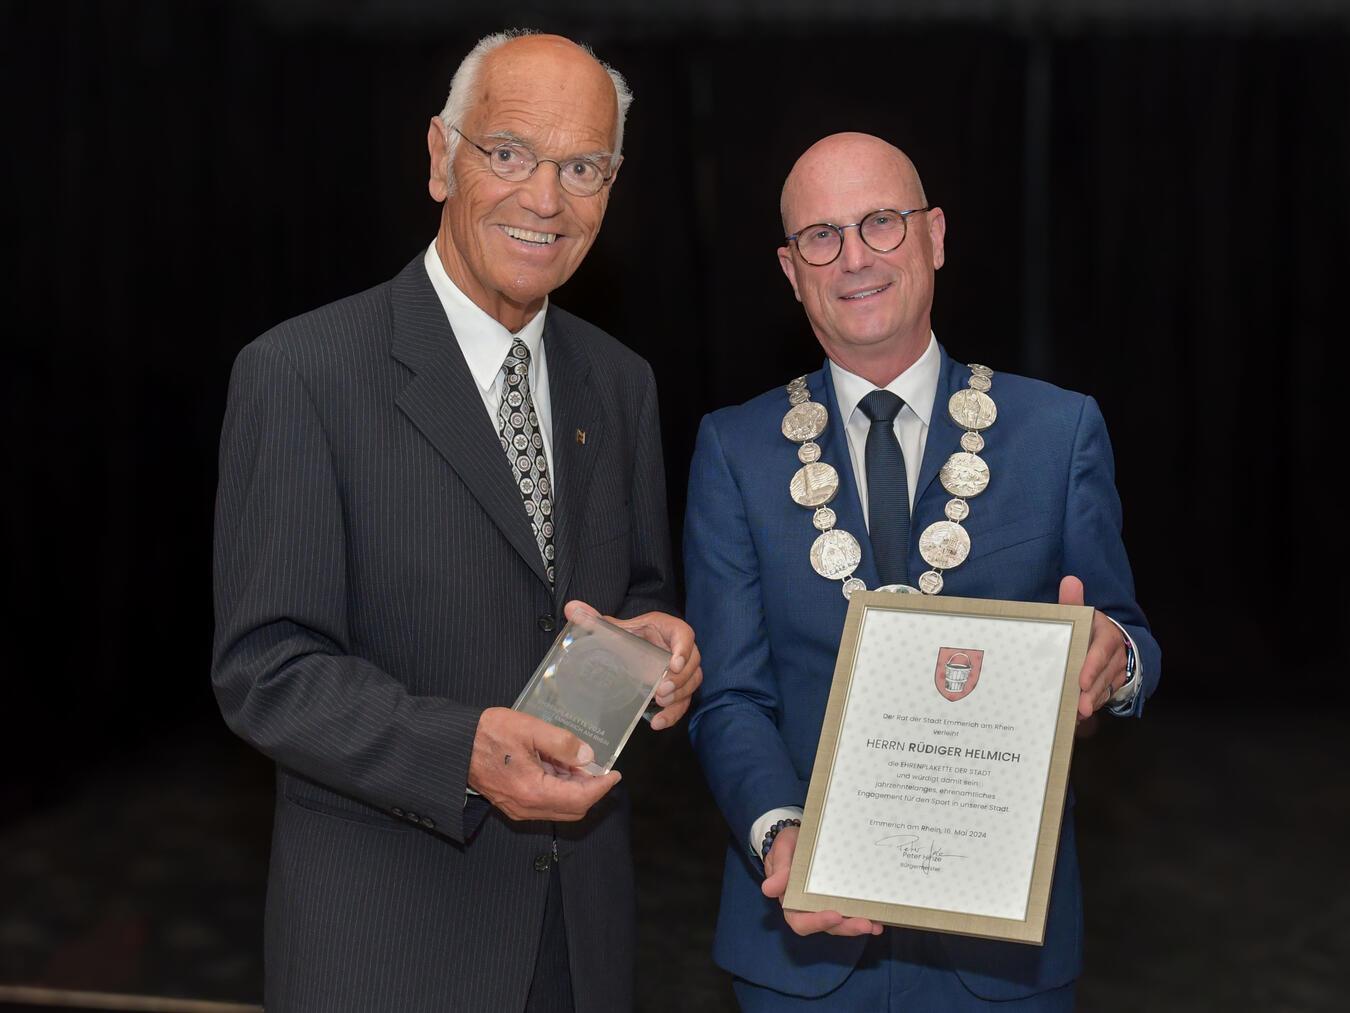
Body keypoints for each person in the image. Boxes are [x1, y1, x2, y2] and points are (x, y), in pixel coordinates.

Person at [212, 30, 700, 1013]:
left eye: (583, 167)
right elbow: (266, 670)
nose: (546, 198)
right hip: (390, 944)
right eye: (510, 153)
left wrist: (660, 646)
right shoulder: (300, 374)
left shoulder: (622, 383)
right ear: (441, 157)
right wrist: (462, 750)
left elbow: (636, 591)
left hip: (579, 937)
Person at [684, 132, 1159, 1010]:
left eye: (881, 224)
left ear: (934, 235)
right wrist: (785, 835)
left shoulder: (1059, 432)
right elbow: (730, 696)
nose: (854, 257)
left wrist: (1114, 660)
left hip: (1004, 953)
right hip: (801, 953)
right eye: (821, 236)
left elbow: (1127, 631)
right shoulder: (733, 450)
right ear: (791, 270)